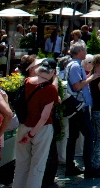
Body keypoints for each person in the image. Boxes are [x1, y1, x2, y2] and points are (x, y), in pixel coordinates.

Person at [13, 58, 60, 188]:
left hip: (23, 126)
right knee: (37, 166)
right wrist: (32, 134)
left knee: (21, 164)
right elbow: (44, 117)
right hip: (41, 130)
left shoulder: (27, 81)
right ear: (53, 72)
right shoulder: (51, 89)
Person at [65, 43, 100, 178]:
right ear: (79, 51)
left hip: (77, 105)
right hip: (79, 106)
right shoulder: (75, 66)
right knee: (89, 135)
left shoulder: (73, 64)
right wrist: (91, 78)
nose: (86, 51)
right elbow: (76, 86)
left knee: (73, 137)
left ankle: (70, 167)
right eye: (84, 49)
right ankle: (89, 168)